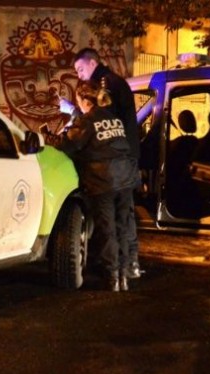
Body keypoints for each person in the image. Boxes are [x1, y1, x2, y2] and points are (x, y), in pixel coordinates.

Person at [44, 82, 139, 291]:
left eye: (79, 101)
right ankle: (124, 276)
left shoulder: (87, 121)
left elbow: (68, 145)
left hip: (103, 181)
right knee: (122, 228)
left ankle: (112, 277)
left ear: (85, 101)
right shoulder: (114, 118)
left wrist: (49, 138)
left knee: (107, 231)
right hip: (126, 179)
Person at [60, 47, 142, 281]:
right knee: (124, 217)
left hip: (111, 164)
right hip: (124, 159)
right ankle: (129, 267)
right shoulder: (114, 80)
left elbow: (99, 122)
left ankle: (114, 270)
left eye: (80, 69)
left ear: (92, 63)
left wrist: (75, 113)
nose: (79, 74)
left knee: (111, 222)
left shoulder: (105, 84)